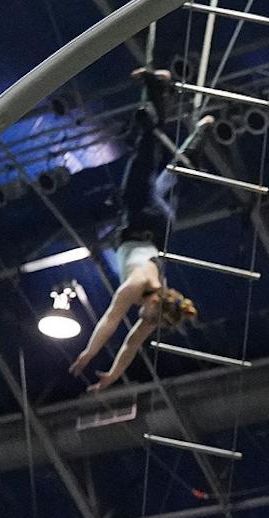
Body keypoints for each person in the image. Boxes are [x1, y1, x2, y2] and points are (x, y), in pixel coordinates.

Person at [69, 71, 200, 393]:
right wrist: (89, 352)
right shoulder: (138, 284)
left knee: (162, 177)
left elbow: (129, 345)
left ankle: (196, 132)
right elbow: (111, 320)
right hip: (144, 219)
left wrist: (112, 376)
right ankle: (157, 91)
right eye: (154, 319)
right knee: (144, 158)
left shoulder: (153, 304)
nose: (148, 323)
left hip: (156, 228)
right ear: (157, 303)